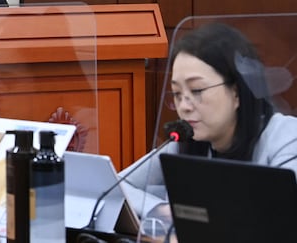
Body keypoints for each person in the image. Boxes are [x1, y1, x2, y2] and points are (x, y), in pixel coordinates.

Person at [120, 22, 297, 224]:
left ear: (237, 92)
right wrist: (161, 209)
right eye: (177, 93)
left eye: (197, 90)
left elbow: (282, 215)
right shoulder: (185, 141)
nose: (184, 106)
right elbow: (115, 187)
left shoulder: (286, 138)